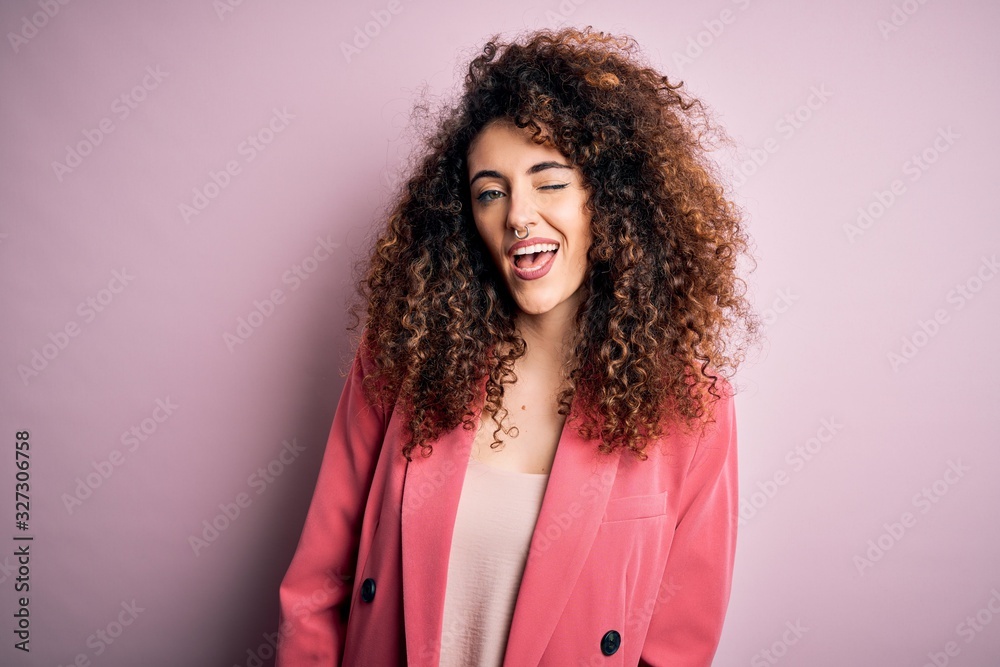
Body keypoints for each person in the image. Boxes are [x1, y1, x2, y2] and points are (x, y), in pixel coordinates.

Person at [276, 25, 759, 667]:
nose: (518, 215)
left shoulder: (691, 408)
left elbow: (675, 649)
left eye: (549, 182)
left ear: (611, 199)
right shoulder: (401, 361)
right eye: (491, 192)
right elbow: (315, 593)